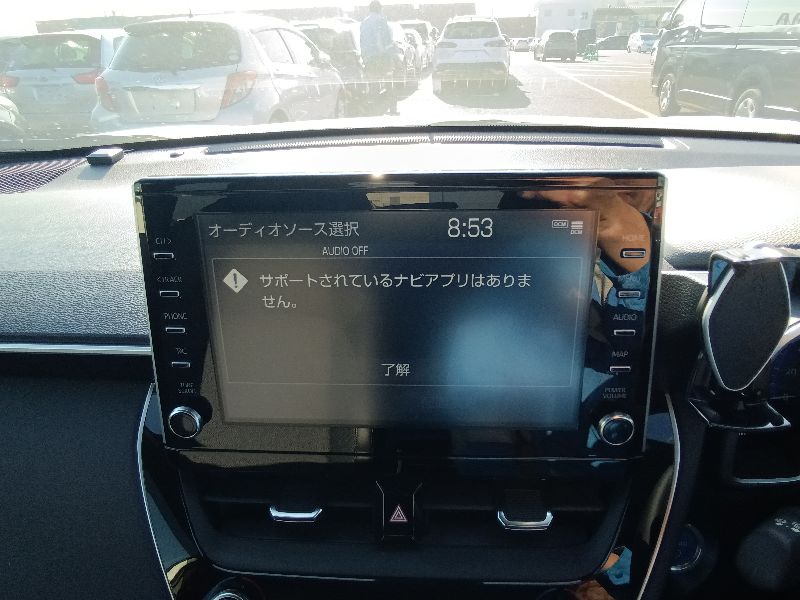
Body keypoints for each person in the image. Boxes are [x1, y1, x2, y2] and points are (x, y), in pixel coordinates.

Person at [359, 0, 398, 115]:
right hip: (382, 58)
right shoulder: (381, 21)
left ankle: (374, 110)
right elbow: (386, 42)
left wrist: (365, 58)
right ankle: (392, 109)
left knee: (373, 86)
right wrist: (393, 54)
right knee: (389, 83)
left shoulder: (364, 23)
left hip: (369, 59)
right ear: (380, 9)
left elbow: (362, 41)